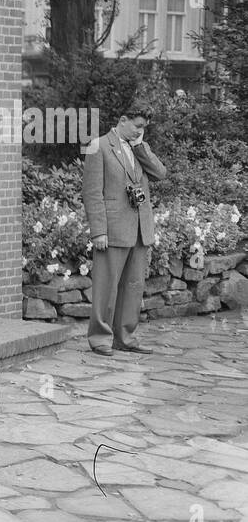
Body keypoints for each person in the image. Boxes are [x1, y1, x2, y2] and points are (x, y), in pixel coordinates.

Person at [83, 98, 167, 356]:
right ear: (122, 121)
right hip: (113, 229)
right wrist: (98, 231)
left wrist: (140, 147)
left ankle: (126, 337)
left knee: (133, 287)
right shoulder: (99, 146)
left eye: (144, 128)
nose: (140, 131)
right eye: (137, 126)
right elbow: (92, 193)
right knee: (106, 287)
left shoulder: (140, 146)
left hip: (140, 229)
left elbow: (160, 173)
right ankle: (100, 339)